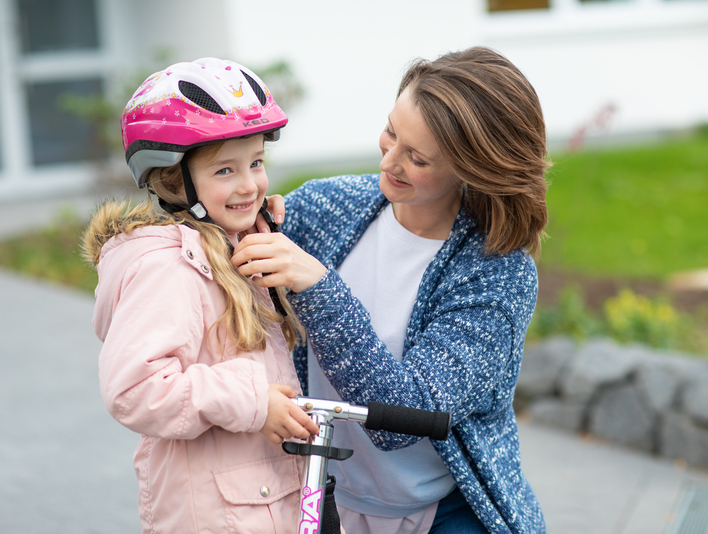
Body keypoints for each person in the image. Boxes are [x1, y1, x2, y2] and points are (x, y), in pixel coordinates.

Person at [232, 46, 549, 534]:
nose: (390, 159)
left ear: (472, 169)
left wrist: (319, 287)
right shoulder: (324, 209)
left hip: (444, 512)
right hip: (315, 495)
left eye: (417, 158)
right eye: (391, 131)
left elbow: (402, 416)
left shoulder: (496, 272)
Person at [82, 58, 320, 534]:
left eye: (256, 163)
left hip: (264, 505)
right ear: (173, 179)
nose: (249, 185)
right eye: (225, 170)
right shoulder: (169, 268)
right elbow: (135, 389)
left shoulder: (233, 248)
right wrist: (255, 401)